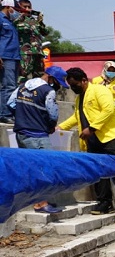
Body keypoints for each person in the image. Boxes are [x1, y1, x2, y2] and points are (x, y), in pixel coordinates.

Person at [56, 67, 115, 215]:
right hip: (94, 139)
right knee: (99, 172)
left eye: (75, 85)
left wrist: (91, 128)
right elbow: (76, 117)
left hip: (112, 136)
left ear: (84, 80)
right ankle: (104, 203)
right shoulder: (80, 98)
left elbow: (108, 110)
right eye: (71, 86)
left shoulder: (99, 90)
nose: (73, 88)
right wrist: (60, 127)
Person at [6, 66, 68, 213]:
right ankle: (42, 203)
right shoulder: (48, 91)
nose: (58, 86)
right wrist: (50, 126)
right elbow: (52, 114)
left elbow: (10, 103)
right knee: (46, 166)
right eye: (57, 82)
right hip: (37, 135)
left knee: (31, 167)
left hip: (21, 133)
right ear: (51, 78)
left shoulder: (23, 86)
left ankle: (36, 201)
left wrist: (23, 116)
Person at [14, 0, 49, 83]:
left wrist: (40, 22)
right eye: (25, 7)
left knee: (39, 76)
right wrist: (20, 16)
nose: (27, 9)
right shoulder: (16, 19)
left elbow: (45, 32)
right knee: (23, 75)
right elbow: (13, 27)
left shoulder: (34, 21)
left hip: (38, 52)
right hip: (26, 53)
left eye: (29, 7)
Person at [0, 0, 21, 124]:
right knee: (9, 86)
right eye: (14, 9)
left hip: (14, 57)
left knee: (10, 87)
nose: (15, 12)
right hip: (6, 57)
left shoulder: (11, 22)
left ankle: (6, 113)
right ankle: (5, 114)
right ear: (8, 7)